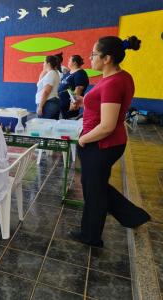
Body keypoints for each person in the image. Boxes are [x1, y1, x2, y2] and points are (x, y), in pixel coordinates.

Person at [70, 36, 150, 247]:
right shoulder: (120, 77)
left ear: (107, 58)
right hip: (106, 142)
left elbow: (107, 125)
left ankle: (91, 236)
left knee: (93, 191)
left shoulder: (113, 83)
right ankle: (133, 216)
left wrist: (83, 140)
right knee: (95, 186)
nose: (90, 58)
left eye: (94, 54)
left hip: (101, 144)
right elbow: (104, 107)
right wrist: (84, 102)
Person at [58, 55, 89, 119]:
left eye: (69, 60)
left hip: (70, 106)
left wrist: (73, 103)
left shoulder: (80, 73)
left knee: (69, 124)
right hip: (62, 104)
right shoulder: (69, 72)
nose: (68, 62)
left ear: (74, 62)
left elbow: (79, 88)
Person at [35, 55, 61, 120]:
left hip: (48, 103)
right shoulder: (53, 73)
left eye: (44, 62)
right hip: (50, 103)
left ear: (48, 64)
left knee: (44, 126)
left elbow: (46, 91)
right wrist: (46, 69)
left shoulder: (51, 73)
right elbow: (40, 78)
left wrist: (40, 106)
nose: (43, 64)